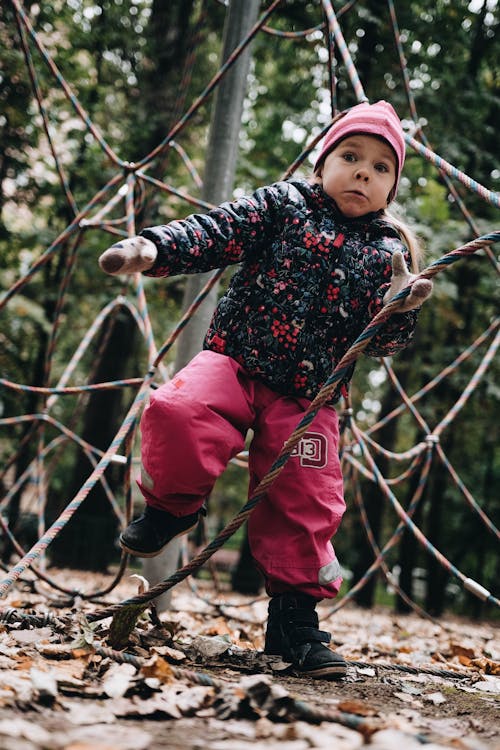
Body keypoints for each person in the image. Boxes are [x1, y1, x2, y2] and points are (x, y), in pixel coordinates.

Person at [99, 100, 432, 680]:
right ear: (321, 161)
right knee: (178, 408)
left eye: (381, 168)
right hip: (236, 359)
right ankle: (171, 508)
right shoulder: (283, 207)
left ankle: (294, 626)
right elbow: (217, 230)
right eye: (350, 157)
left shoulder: (387, 253)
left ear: (392, 188)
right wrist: (153, 248)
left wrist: (400, 306)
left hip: (309, 397)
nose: (362, 173)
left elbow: (385, 343)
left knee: (308, 496)